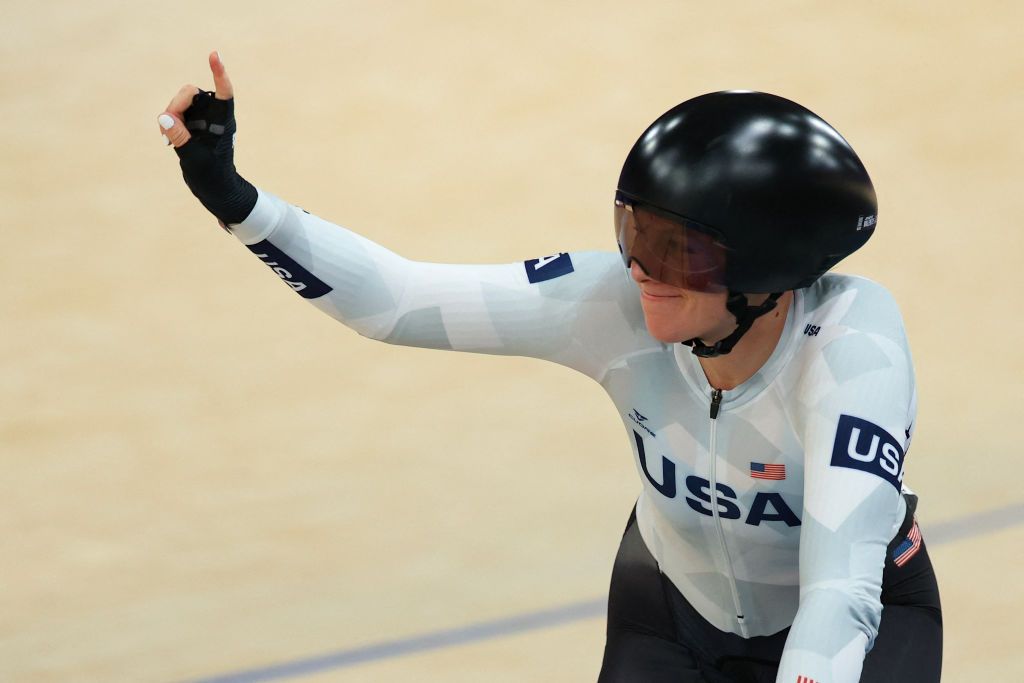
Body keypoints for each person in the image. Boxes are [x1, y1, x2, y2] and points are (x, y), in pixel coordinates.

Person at [158, 53, 942, 682]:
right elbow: (394, 300)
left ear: (771, 270)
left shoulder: (853, 349)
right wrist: (234, 197)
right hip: (670, 605)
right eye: (634, 229)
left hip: (857, 623)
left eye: (677, 250)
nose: (638, 267)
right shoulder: (612, 301)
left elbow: (838, 595)